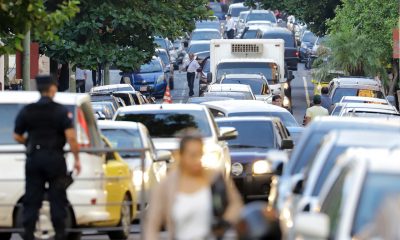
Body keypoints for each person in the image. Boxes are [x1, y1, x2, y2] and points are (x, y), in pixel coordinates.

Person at [13, 75, 81, 240]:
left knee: (32, 198)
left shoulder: (28, 110)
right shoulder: (60, 110)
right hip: (55, 159)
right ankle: (59, 233)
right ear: (52, 89)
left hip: (34, 158)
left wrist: (29, 142)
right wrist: (77, 158)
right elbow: (71, 137)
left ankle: (29, 233)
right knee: (57, 198)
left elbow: (17, 135)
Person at [145, 130, 243, 240]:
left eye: (200, 154)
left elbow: (236, 204)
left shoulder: (214, 177)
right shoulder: (166, 185)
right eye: (192, 155)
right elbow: (152, 226)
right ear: (181, 156)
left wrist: (224, 222)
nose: (197, 160)